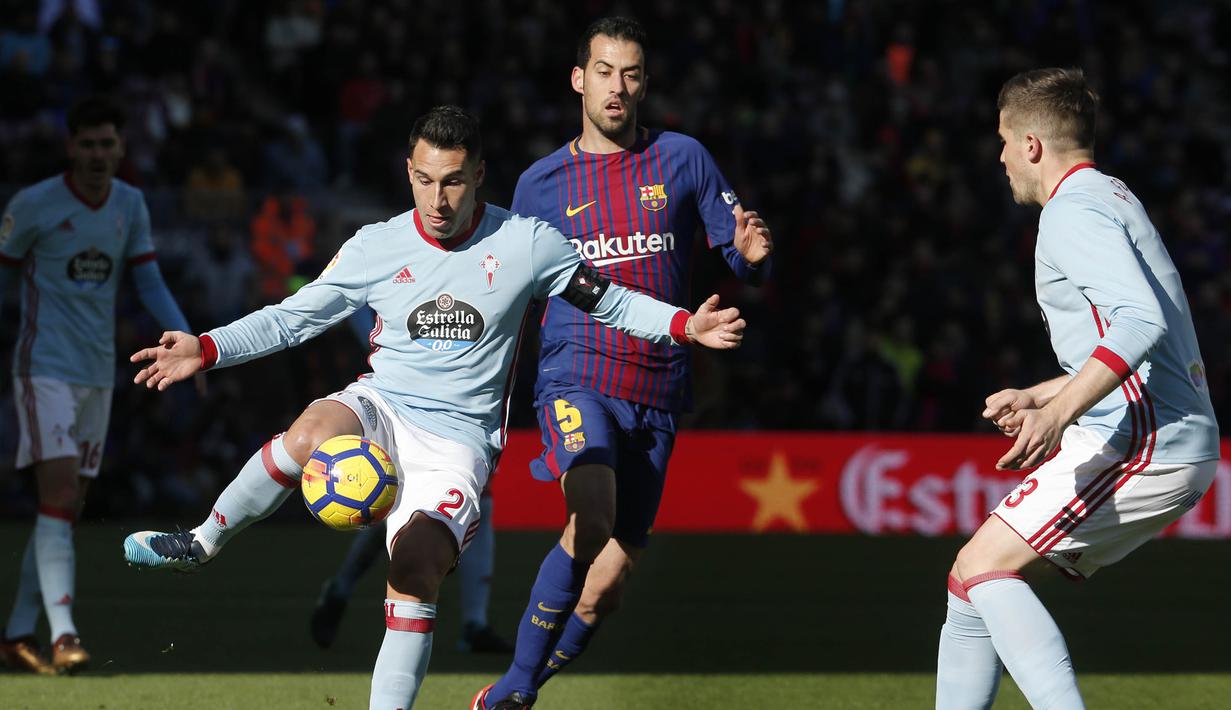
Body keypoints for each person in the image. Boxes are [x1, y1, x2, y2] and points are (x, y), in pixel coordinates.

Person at [120, 105, 745, 710]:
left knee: (415, 569)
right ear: (408, 173)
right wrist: (206, 349)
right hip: (382, 404)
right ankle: (201, 543)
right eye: (424, 180)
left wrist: (684, 324)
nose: (437, 200)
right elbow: (292, 319)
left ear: (478, 176)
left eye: (452, 182)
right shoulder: (375, 245)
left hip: (458, 442)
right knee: (310, 433)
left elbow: (610, 301)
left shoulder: (527, 243)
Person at [474, 16, 773, 709]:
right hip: (574, 375)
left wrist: (752, 259)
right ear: (579, 80)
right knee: (591, 518)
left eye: (630, 73)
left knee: (606, 582)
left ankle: (518, 692)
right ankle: (515, 688)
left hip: (659, 387)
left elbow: (737, 251)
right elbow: (509, 297)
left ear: (644, 83)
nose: (618, 86)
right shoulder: (539, 184)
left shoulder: (683, 158)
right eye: (604, 71)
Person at [936, 68, 1219, 709]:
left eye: (1004, 138)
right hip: (1156, 430)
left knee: (986, 568)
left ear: (1032, 144)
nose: (1000, 154)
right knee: (970, 575)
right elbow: (1140, 337)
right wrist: (1044, 393)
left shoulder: (1071, 212)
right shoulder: (1110, 196)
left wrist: (1061, 411)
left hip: (1149, 441)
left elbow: (1140, 321)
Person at [0, 96, 194, 674]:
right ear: (70, 147)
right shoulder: (33, 205)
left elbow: (150, 282)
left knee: (66, 505)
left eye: (107, 144)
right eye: (87, 144)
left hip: (96, 376)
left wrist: (190, 344)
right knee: (59, 495)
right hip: (43, 368)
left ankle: (15, 633)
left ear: (121, 147)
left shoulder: (129, 205)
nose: (98, 154)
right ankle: (64, 637)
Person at [310, 308, 513, 654]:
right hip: (393, 398)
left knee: (475, 501)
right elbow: (363, 317)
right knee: (385, 502)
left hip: (451, 404)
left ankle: (474, 623)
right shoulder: (382, 265)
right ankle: (342, 587)